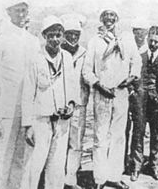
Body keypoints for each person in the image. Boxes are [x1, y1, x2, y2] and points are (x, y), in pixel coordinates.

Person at [82, 7, 142, 189]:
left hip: (121, 94)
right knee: (100, 137)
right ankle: (99, 178)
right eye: (106, 15)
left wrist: (131, 78)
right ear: (101, 18)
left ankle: (114, 176)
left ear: (117, 18)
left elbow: (136, 62)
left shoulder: (127, 40)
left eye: (112, 15)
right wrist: (99, 85)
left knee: (118, 137)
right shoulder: (94, 41)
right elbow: (87, 71)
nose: (109, 18)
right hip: (102, 94)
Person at [0, 0, 41, 188]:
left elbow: (36, 77)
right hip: (6, 110)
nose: (21, 14)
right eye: (17, 11)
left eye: (24, 10)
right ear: (9, 13)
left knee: (21, 158)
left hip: (28, 111)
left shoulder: (33, 41)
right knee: (2, 158)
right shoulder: (2, 39)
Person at [21, 15, 76, 189]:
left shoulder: (67, 57)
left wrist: (72, 105)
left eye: (58, 35)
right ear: (44, 36)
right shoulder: (35, 58)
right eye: (50, 35)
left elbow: (72, 86)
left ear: (62, 36)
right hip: (41, 120)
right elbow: (27, 93)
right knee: (33, 164)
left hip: (62, 120)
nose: (54, 39)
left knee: (57, 164)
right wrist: (28, 125)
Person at [130, 26, 158, 182]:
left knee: (156, 134)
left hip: (157, 101)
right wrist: (134, 94)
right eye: (151, 40)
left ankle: (155, 167)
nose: (153, 44)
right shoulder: (139, 57)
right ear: (147, 39)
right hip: (141, 101)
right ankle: (136, 167)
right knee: (138, 133)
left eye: (156, 41)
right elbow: (133, 78)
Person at [61, 15, 90, 189]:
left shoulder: (85, 53)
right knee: (59, 143)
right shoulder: (59, 52)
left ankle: (71, 179)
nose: (73, 37)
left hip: (79, 104)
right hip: (61, 106)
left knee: (76, 143)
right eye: (70, 33)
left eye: (76, 34)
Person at [124, 17, 149, 168]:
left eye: (142, 32)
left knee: (139, 129)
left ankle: (136, 163)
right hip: (126, 93)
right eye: (136, 32)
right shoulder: (127, 47)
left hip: (142, 96)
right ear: (133, 32)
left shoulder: (149, 48)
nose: (139, 35)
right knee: (124, 128)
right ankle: (122, 161)